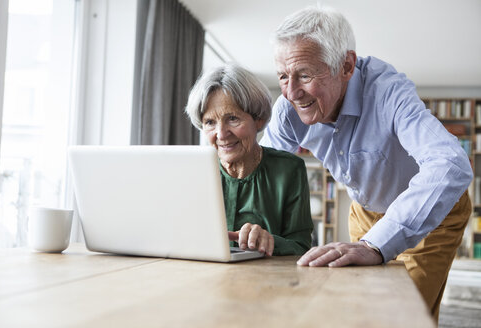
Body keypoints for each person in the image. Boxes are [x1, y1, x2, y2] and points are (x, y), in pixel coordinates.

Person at [260, 5, 472, 320]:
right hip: (365, 212)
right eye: (282, 76)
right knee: (360, 307)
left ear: (346, 65)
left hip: (433, 216)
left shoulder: (389, 93)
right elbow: (262, 171)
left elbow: (451, 164)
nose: (291, 92)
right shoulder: (288, 109)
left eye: (304, 74)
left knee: (402, 314)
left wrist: (375, 245)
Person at [185, 63, 314, 256]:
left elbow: (301, 247)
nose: (221, 134)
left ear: (259, 119)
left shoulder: (289, 169)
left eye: (233, 119)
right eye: (210, 122)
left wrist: (270, 242)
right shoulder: (193, 172)